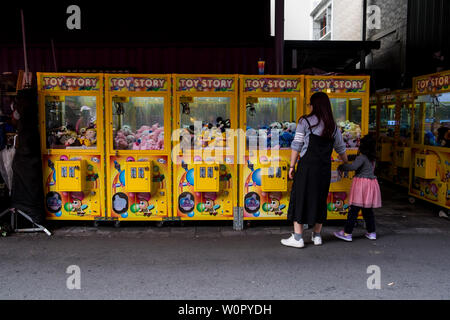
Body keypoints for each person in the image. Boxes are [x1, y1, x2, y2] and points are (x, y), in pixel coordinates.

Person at [281, 92, 348, 249]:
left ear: (313, 105)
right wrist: (345, 163)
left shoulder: (305, 121)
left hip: (307, 167)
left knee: (300, 198)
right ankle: (317, 236)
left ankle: (298, 238)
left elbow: (296, 145)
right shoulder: (333, 126)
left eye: (310, 104)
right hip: (324, 168)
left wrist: (291, 166)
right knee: (320, 199)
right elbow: (340, 148)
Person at [334, 134, 381, 242]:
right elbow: (358, 160)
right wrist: (348, 157)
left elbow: (353, 167)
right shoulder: (372, 158)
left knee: (353, 210)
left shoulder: (362, 157)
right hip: (371, 184)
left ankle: (347, 233)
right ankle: (371, 232)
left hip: (361, 185)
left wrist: (341, 167)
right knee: (367, 211)